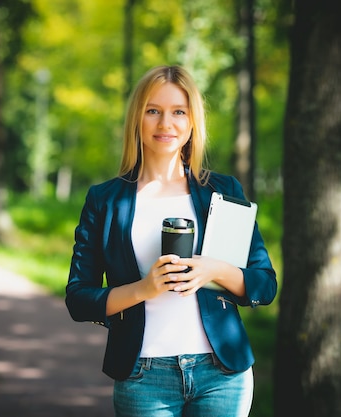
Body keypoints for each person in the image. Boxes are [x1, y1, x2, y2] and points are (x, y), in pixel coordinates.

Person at [65, 65, 277, 417]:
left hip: (223, 375)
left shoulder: (222, 192)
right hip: (143, 377)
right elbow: (79, 298)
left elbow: (264, 284)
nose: (166, 124)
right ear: (137, 118)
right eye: (153, 111)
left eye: (179, 111)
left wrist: (215, 270)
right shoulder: (105, 200)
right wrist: (144, 288)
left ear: (193, 121)